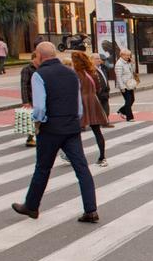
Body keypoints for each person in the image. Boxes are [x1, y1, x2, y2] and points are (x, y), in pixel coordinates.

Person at [11, 41, 99, 224]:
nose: (34, 59)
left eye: (34, 55)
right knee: (81, 168)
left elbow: (40, 107)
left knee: (42, 168)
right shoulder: (71, 74)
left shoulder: (39, 75)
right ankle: (91, 209)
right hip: (71, 127)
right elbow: (78, 104)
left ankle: (32, 206)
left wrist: (37, 122)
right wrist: (75, 120)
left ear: (40, 56)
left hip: (50, 129)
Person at [70, 49, 112, 167]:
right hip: (93, 101)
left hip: (81, 101)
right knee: (97, 130)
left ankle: (74, 156)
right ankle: (102, 156)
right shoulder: (92, 72)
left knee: (75, 131)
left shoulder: (75, 74)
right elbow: (98, 88)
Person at [19, 49, 40, 148]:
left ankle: (36, 136)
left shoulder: (41, 68)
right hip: (31, 97)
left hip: (39, 97)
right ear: (34, 58)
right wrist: (25, 101)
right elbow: (24, 85)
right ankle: (30, 138)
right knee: (32, 118)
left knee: (38, 118)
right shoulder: (27, 69)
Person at [115, 49, 138, 122]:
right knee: (128, 101)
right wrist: (122, 87)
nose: (129, 57)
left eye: (129, 55)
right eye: (127, 55)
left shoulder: (127, 62)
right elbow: (118, 77)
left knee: (132, 100)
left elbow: (132, 72)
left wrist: (132, 64)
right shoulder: (119, 64)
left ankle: (121, 110)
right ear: (122, 55)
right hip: (124, 85)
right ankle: (130, 117)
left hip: (130, 84)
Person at [90, 53, 111, 120]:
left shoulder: (102, 68)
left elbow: (106, 78)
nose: (99, 60)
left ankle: (105, 120)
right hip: (97, 92)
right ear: (91, 60)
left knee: (106, 107)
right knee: (99, 108)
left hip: (105, 91)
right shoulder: (91, 69)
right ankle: (102, 121)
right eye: (97, 59)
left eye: (99, 58)